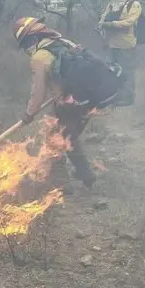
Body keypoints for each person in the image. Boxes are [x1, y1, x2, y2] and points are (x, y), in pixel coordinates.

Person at [13, 16, 101, 189]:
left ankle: (62, 186)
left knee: (54, 143)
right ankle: (86, 174)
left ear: (32, 38)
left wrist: (29, 113)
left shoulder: (40, 57)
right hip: (88, 101)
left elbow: (38, 92)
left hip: (67, 106)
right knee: (69, 136)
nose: (26, 48)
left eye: (25, 43)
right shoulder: (65, 43)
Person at [98, 0, 142, 106]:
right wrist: (102, 26)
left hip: (126, 44)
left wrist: (111, 24)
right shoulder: (111, 4)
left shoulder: (134, 4)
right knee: (113, 71)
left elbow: (128, 22)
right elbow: (102, 19)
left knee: (127, 70)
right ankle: (116, 96)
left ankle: (128, 98)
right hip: (112, 43)